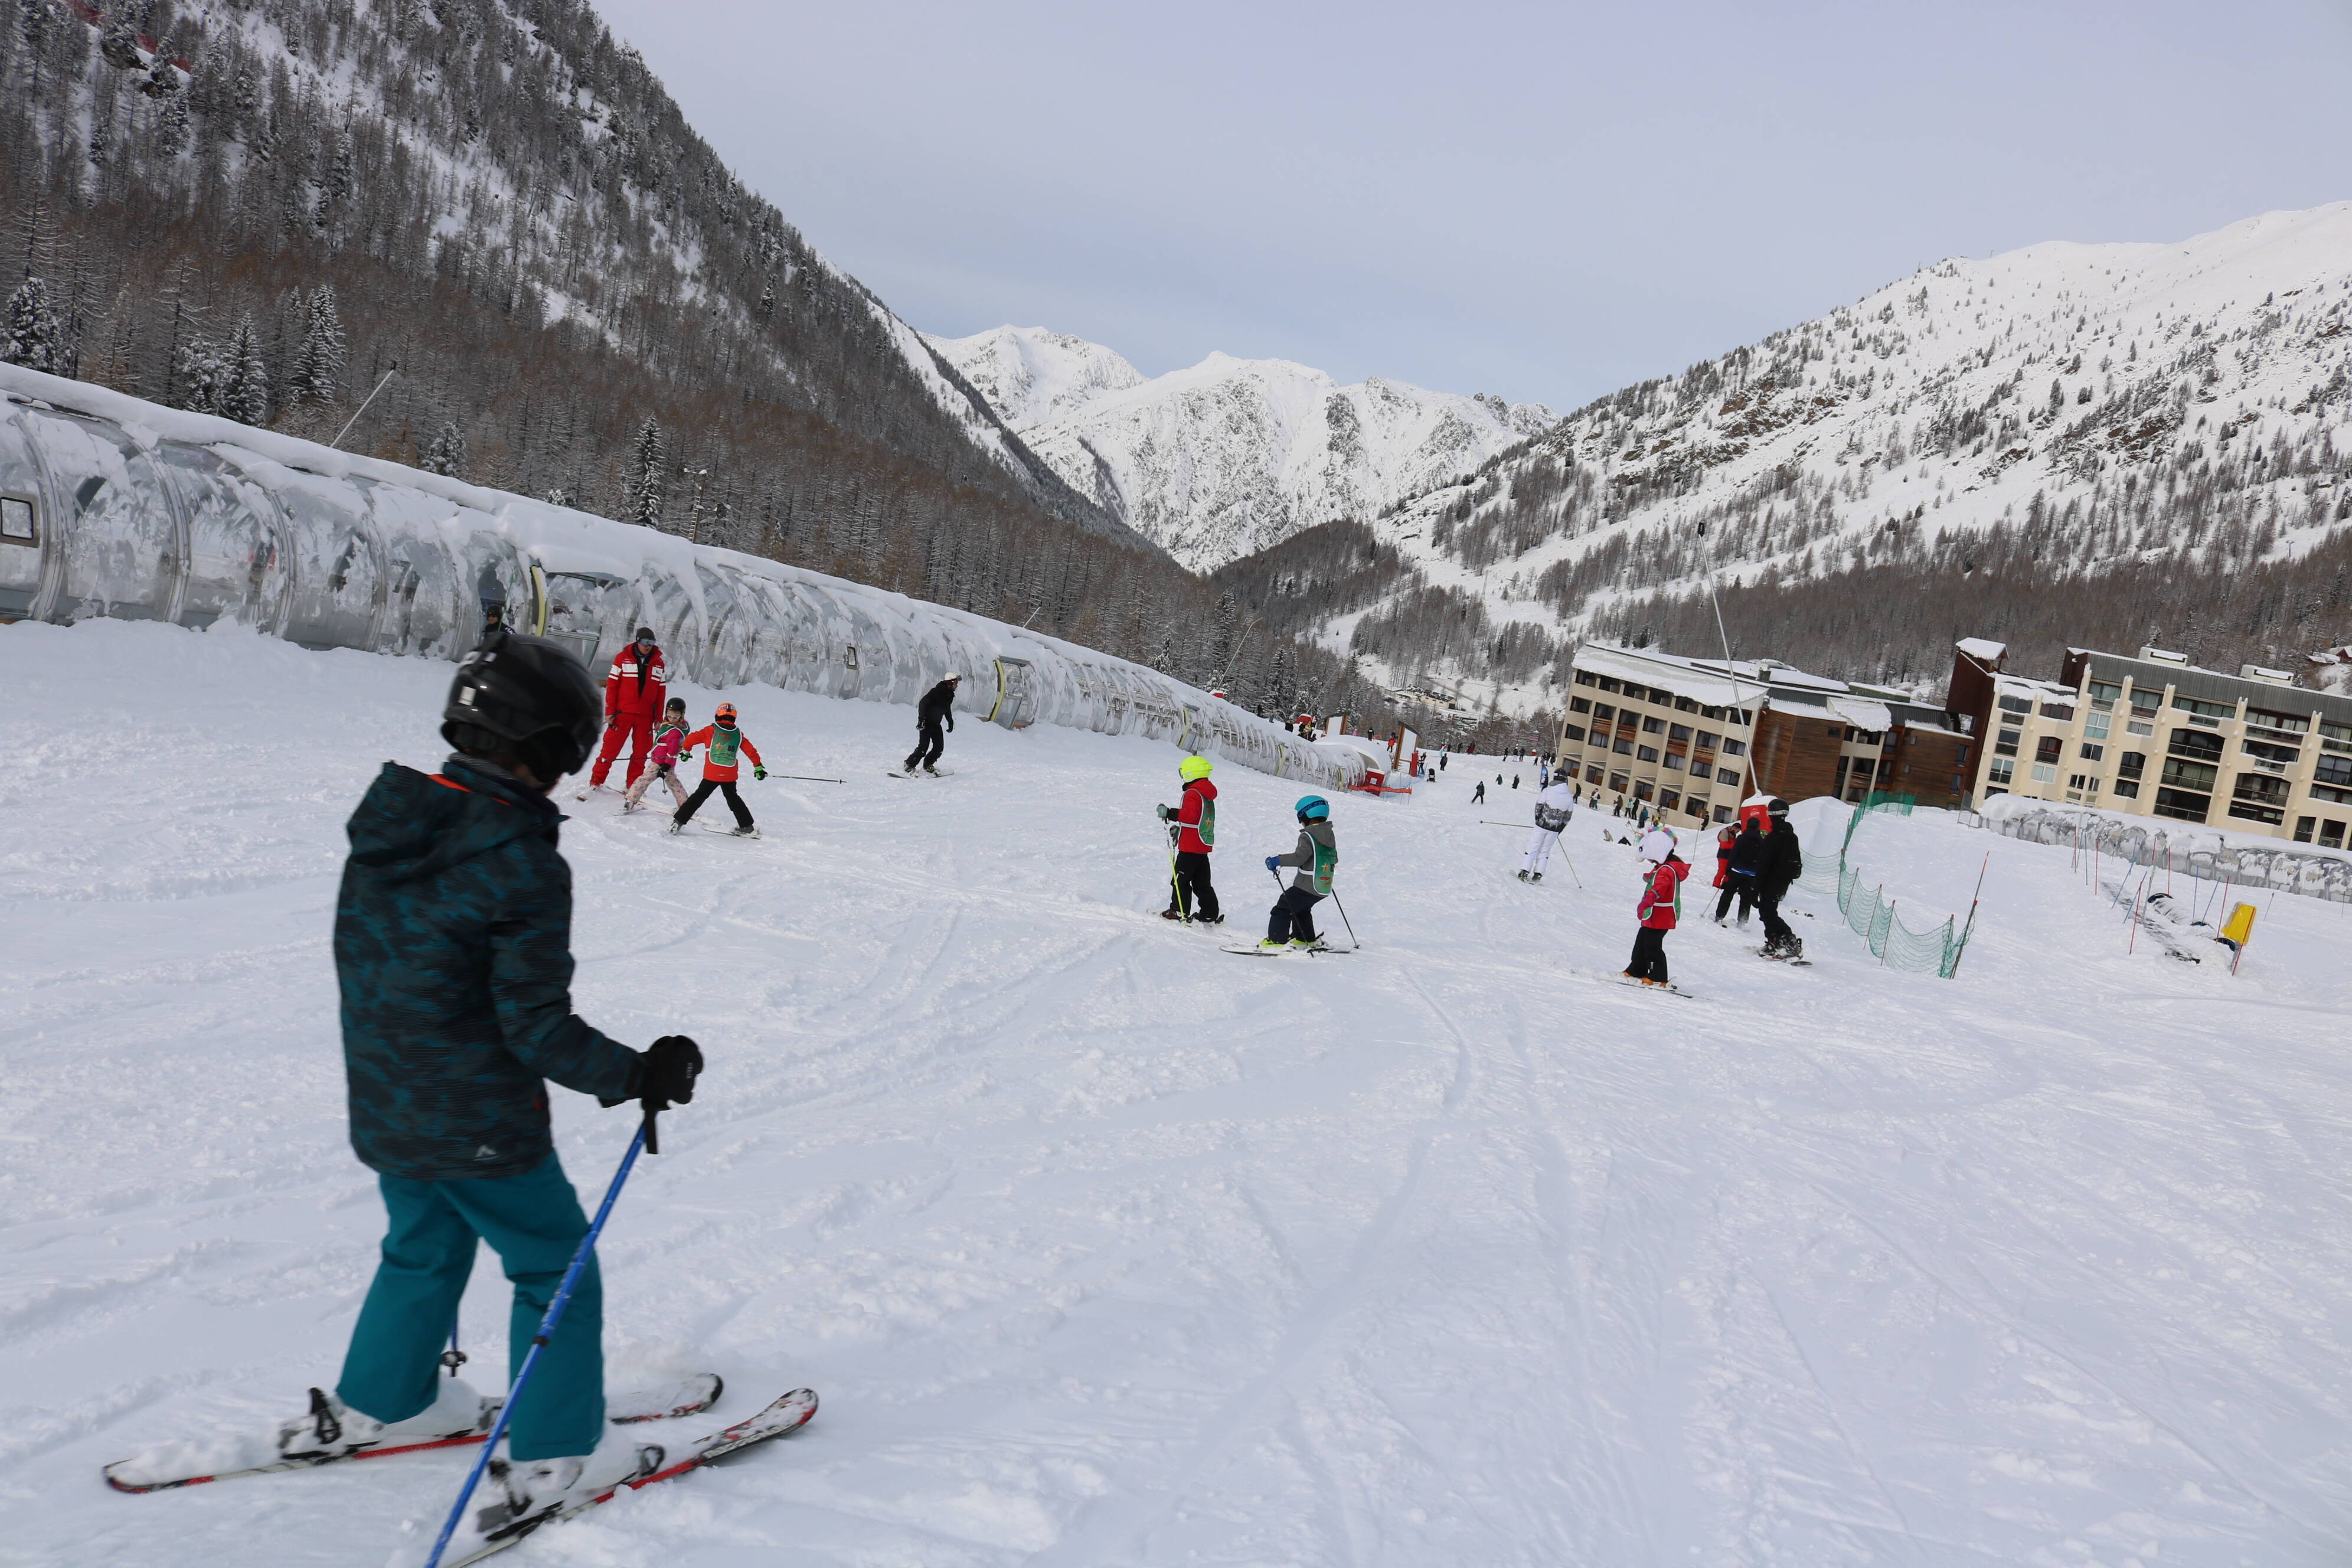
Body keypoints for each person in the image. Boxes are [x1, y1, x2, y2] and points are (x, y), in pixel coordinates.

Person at [315, 626, 703, 1527]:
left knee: (423, 1248)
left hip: (386, 1103)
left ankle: (391, 1399)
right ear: (553, 746)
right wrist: (638, 1073)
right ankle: (559, 1452)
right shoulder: (520, 860)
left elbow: (380, 969)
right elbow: (534, 1029)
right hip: (477, 1122)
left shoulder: (391, 829)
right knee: (555, 1267)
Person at [585, 627, 667, 795]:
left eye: (652, 643)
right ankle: (596, 781)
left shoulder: (658, 663)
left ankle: (633, 786)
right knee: (610, 749)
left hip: (645, 716)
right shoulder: (622, 659)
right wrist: (610, 711)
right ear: (638, 640)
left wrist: (659, 717)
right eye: (645, 642)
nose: (648, 646)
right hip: (622, 714)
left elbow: (660, 692)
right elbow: (612, 687)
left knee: (641, 753)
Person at [671, 701, 766, 836]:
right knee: (733, 798)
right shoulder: (739, 734)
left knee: (698, 797)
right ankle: (747, 827)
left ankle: (678, 821)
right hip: (729, 774)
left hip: (712, 773)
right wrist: (759, 768)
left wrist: (686, 752)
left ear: (717, 716)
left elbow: (690, 740)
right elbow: (752, 752)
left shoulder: (710, 730)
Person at [1260, 795, 1337, 952]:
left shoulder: (1308, 835)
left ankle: (1276, 940)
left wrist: (1277, 860)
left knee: (1283, 906)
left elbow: (1298, 858)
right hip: (1323, 885)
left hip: (1307, 884)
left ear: (1306, 816)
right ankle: (1304, 939)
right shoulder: (1328, 834)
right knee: (1301, 909)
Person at [1159, 754, 1221, 923]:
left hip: (1191, 847)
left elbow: (1191, 816)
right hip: (1201, 844)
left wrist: (1170, 813)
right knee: (1202, 883)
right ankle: (1209, 912)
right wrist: (1181, 830)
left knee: (1180, 880)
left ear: (1190, 774)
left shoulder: (1193, 793)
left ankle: (1179, 910)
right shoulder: (1205, 792)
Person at [1624, 829, 1690, 986]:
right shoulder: (1663, 867)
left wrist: (1648, 900)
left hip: (1662, 913)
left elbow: (1661, 886)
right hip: (1654, 913)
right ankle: (1636, 969)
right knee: (1642, 940)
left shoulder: (1666, 870)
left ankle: (1658, 976)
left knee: (1652, 945)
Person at [1752, 798, 1805, 958]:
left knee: (1767, 912)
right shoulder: (1792, 837)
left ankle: (1786, 938)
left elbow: (1763, 865)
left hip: (1770, 881)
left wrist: (1755, 887)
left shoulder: (1772, 838)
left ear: (1771, 815)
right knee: (1769, 911)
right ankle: (1777, 940)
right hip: (1783, 882)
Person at [621, 698, 691, 815]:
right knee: (674, 783)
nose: (672, 719)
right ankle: (685, 805)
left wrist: (666, 766)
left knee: (644, 780)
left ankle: (630, 801)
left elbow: (673, 751)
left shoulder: (674, 732)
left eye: (675, 717)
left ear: (682, 716)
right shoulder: (671, 725)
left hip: (662, 762)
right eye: (670, 716)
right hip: (663, 761)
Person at [1520, 773, 1577, 882]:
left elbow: (1538, 807)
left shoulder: (1547, 791)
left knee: (1533, 847)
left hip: (1541, 825)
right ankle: (1538, 874)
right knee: (1545, 850)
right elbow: (1567, 818)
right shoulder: (1569, 797)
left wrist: (1538, 820)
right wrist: (1559, 830)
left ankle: (1525, 871)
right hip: (1554, 830)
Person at [906, 673, 960, 775]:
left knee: (939, 748)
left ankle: (928, 765)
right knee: (923, 748)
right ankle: (909, 765)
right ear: (950, 683)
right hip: (926, 723)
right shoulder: (936, 692)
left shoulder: (950, 694)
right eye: (956, 683)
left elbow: (947, 708)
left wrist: (950, 721)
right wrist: (921, 720)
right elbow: (923, 703)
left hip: (936, 724)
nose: (957, 685)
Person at [1710, 824, 1752, 926]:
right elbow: (1724, 845)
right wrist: (1734, 846)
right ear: (1735, 828)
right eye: (1738, 830)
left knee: (1725, 873)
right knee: (1722, 871)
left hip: (1729, 857)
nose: (1738, 832)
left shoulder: (1734, 835)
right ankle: (1716, 884)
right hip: (1723, 855)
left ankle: (1721, 885)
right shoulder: (1725, 832)